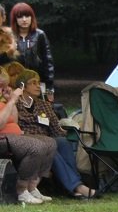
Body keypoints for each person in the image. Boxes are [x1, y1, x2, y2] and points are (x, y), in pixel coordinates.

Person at [13, 69, 96, 199]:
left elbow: (56, 129)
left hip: (46, 139)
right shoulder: (15, 104)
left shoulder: (44, 105)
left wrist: (67, 129)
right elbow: (14, 127)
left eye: (38, 83)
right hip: (26, 140)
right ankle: (77, 187)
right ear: (23, 86)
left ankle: (74, 185)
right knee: (50, 147)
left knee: (62, 142)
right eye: (33, 83)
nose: (38, 86)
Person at [0, 66, 57, 204]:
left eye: (4, 86)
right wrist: (12, 101)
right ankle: (21, 189)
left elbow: (14, 120)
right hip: (2, 138)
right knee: (35, 146)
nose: (3, 89)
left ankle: (32, 187)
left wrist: (9, 101)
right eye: (1, 86)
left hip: (12, 137)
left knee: (50, 142)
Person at [9, 2, 55, 92]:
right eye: (20, 17)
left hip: (37, 82)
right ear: (15, 19)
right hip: (14, 85)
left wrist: (49, 87)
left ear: (32, 17)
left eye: (27, 16)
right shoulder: (9, 36)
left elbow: (48, 62)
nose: (24, 19)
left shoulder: (40, 35)